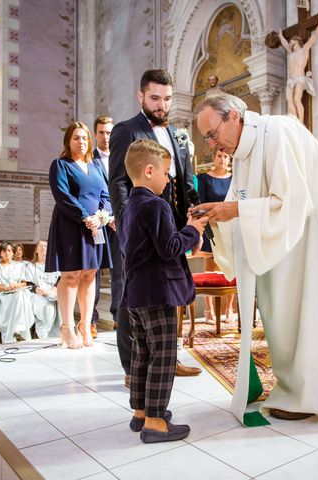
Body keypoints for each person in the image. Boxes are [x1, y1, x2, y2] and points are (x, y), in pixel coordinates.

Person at [194, 92, 318, 424]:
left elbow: (294, 201)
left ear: (234, 118)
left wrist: (234, 211)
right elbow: (240, 199)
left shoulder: (277, 132)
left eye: (212, 134)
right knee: (282, 306)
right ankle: (298, 386)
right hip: (291, 237)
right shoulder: (242, 152)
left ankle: (315, 393)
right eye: (206, 138)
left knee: (315, 311)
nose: (212, 145)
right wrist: (216, 217)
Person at [109, 68, 201, 382]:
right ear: (141, 96)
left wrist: (196, 224)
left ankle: (167, 360)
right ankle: (131, 369)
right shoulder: (126, 130)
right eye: (155, 98)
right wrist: (125, 225)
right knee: (129, 294)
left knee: (169, 289)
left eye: (166, 99)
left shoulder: (177, 134)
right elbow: (119, 182)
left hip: (172, 222)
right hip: (138, 224)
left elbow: (187, 183)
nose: (161, 105)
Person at [118, 139, 207, 443]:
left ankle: (141, 411)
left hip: (136, 294)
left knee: (142, 354)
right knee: (164, 356)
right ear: (149, 170)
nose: (169, 179)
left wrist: (184, 231)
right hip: (159, 293)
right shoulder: (156, 204)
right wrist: (192, 230)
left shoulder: (129, 205)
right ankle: (156, 421)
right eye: (167, 172)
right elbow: (168, 248)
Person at [45, 121, 113, 349]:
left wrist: (102, 216)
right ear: (68, 141)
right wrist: (86, 216)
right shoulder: (60, 165)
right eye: (76, 138)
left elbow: (106, 195)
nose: (81, 142)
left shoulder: (95, 165)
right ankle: (66, 327)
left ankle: (85, 324)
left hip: (95, 226)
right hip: (71, 225)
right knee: (71, 275)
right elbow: (63, 196)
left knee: (90, 274)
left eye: (84, 138)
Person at [196, 150, 235, 323]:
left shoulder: (235, 178)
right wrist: (210, 221)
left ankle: (229, 309)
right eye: (219, 156)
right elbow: (201, 203)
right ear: (213, 158)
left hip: (230, 227)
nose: (222, 159)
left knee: (230, 267)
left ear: (229, 159)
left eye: (225, 156)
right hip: (211, 226)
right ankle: (209, 310)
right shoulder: (205, 178)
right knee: (210, 267)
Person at [90, 115, 116, 339]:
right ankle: (92, 320)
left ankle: (119, 316)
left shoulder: (121, 157)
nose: (106, 137)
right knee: (94, 271)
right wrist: (102, 215)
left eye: (109, 132)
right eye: (102, 132)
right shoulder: (89, 159)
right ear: (95, 134)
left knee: (120, 270)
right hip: (98, 221)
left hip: (118, 223)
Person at [277, 9, 318, 123]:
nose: (290, 44)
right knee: (289, 100)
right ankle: (295, 121)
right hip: (290, 80)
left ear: (297, 41)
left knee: (296, 100)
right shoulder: (291, 54)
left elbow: (315, 35)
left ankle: (300, 122)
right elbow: (285, 44)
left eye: (292, 42)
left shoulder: (304, 50)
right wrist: (280, 36)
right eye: (289, 42)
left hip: (299, 79)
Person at [0, 242, 34, 343]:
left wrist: (16, 286)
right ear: (0, 253)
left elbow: (24, 283)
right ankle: (16, 330)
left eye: (9, 250)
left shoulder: (20, 265)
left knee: (19, 295)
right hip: (2, 295)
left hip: (18, 291)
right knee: (17, 297)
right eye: (4, 251)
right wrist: (7, 288)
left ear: (13, 253)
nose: (7, 253)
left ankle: (17, 330)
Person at [26, 240, 61, 339]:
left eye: (45, 246)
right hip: (38, 294)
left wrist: (52, 290)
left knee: (63, 305)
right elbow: (28, 283)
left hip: (54, 293)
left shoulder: (55, 264)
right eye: (40, 246)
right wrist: (38, 290)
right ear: (36, 250)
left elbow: (60, 279)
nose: (43, 248)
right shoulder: (31, 266)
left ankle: (59, 335)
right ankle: (43, 335)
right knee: (48, 309)